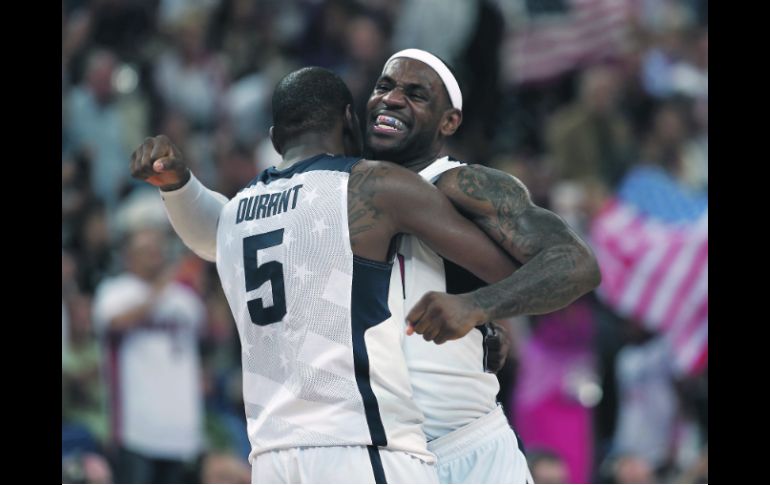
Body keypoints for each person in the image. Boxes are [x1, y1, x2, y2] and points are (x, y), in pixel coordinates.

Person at [135, 50, 601, 484]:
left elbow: (575, 263)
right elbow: (226, 231)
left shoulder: (463, 183)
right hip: (375, 449)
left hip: (463, 448)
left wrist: (479, 307)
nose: (393, 98)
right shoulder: (338, 189)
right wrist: (180, 186)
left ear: (449, 120)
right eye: (384, 86)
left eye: (416, 94)